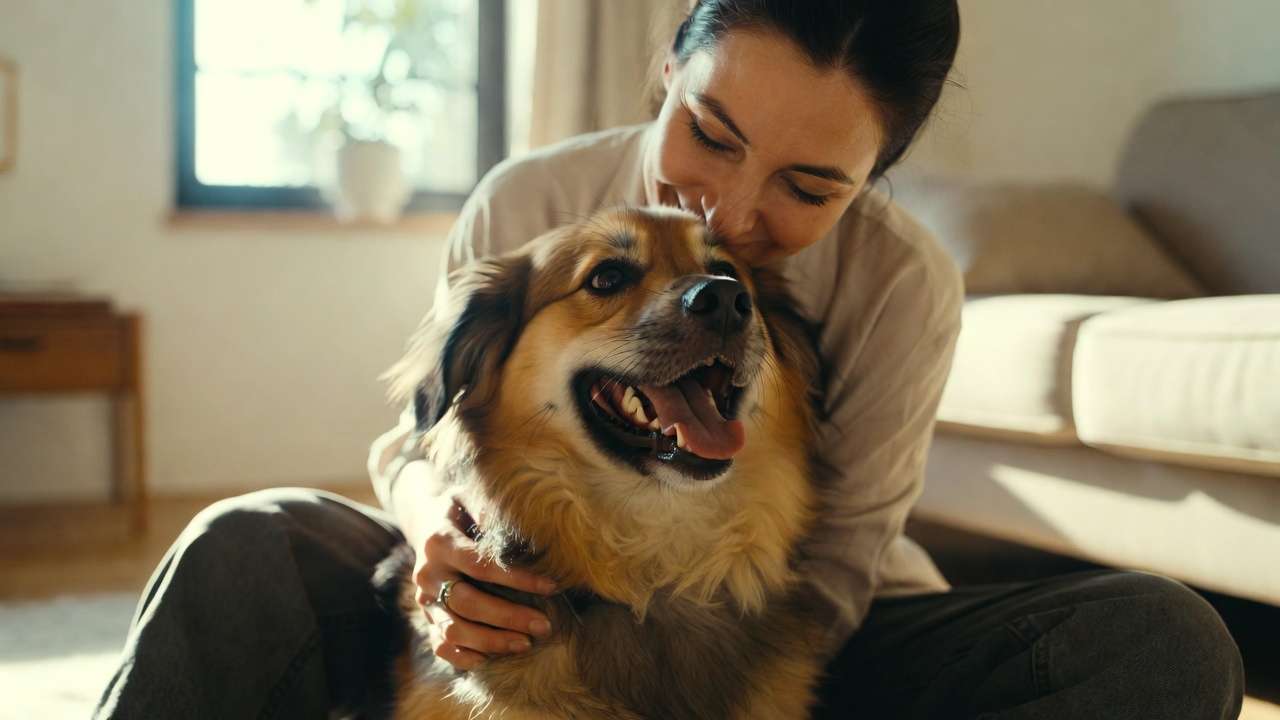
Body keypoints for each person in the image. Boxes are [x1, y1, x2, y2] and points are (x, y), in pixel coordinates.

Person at [95, 2, 1245, 718]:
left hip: (773, 644)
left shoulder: (901, 284)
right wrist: (435, 541)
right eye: (710, 134)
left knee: (1164, 643)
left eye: (807, 188)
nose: (730, 219)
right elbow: (420, 439)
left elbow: (837, 569)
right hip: (497, 598)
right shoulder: (530, 201)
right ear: (667, 63)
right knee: (242, 549)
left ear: (873, 177)